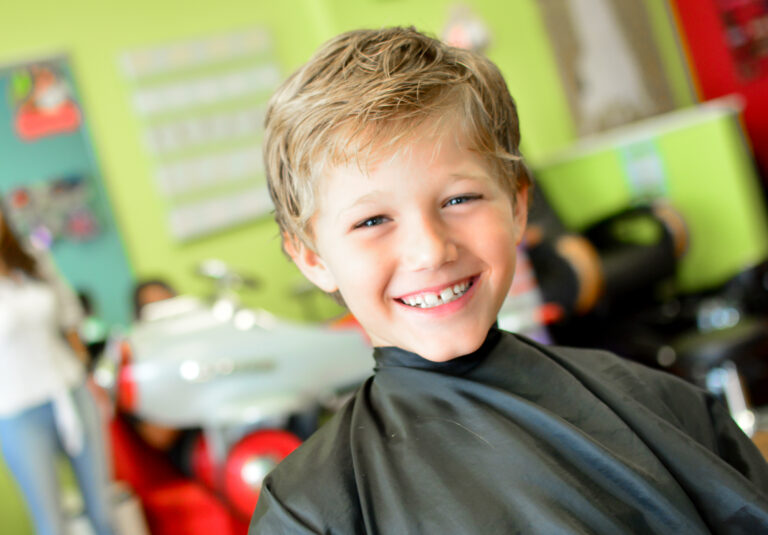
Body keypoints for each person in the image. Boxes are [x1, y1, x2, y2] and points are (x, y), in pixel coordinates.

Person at [249, 27, 768, 533]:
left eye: (459, 200)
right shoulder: (310, 512)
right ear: (312, 258)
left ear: (517, 206)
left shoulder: (662, 405)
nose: (430, 250)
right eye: (371, 221)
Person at [0, 204, 115, 535]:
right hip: (17, 411)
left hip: (70, 389)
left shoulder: (32, 256)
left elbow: (69, 317)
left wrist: (87, 374)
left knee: (102, 510)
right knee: (51, 522)